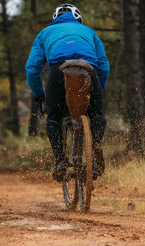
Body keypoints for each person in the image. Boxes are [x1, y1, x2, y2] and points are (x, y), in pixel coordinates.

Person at [25, 4, 109, 181]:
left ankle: (61, 161)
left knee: (54, 116)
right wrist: (99, 88)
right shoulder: (88, 31)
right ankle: (97, 144)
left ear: (54, 18)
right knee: (96, 113)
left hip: (58, 69)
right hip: (89, 68)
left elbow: (32, 68)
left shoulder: (44, 33)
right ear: (78, 18)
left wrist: (39, 94)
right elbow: (104, 64)